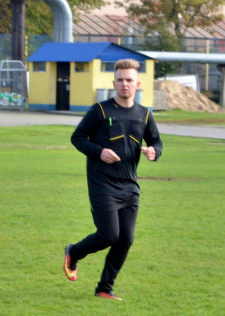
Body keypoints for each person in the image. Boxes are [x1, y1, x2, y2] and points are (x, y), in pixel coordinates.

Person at [63, 59, 163, 301]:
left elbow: (157, 142)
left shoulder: (144, 114)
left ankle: (104, 289)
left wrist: (154, 152)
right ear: (114, 83)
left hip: (130, 185)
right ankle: (74, 252)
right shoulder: (100, 110)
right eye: (120, 80)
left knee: (126, 239)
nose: (124, 84)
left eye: (129, 80)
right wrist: (99, 152)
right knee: (109, 235)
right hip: (102, 183)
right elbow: (77, 138)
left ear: (138, 84)